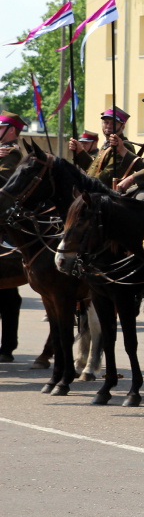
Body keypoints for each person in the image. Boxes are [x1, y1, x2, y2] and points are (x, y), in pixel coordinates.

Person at [0, 112, 25, 362]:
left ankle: (7, 345)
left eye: (1, 126)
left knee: (8, 296)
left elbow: (5, 180)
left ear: (11, 131)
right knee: (7, 298)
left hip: (5, 207)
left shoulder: (12, 151)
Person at [78, 107, 143, 187]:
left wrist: (87, 183)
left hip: (111, 194)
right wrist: (79, 152)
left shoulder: (124, 146)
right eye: (106, 122)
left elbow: (108, 176)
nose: (109, 126)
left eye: (113, 123)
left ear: (122, 127)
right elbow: (93, 168)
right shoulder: (106, 145)